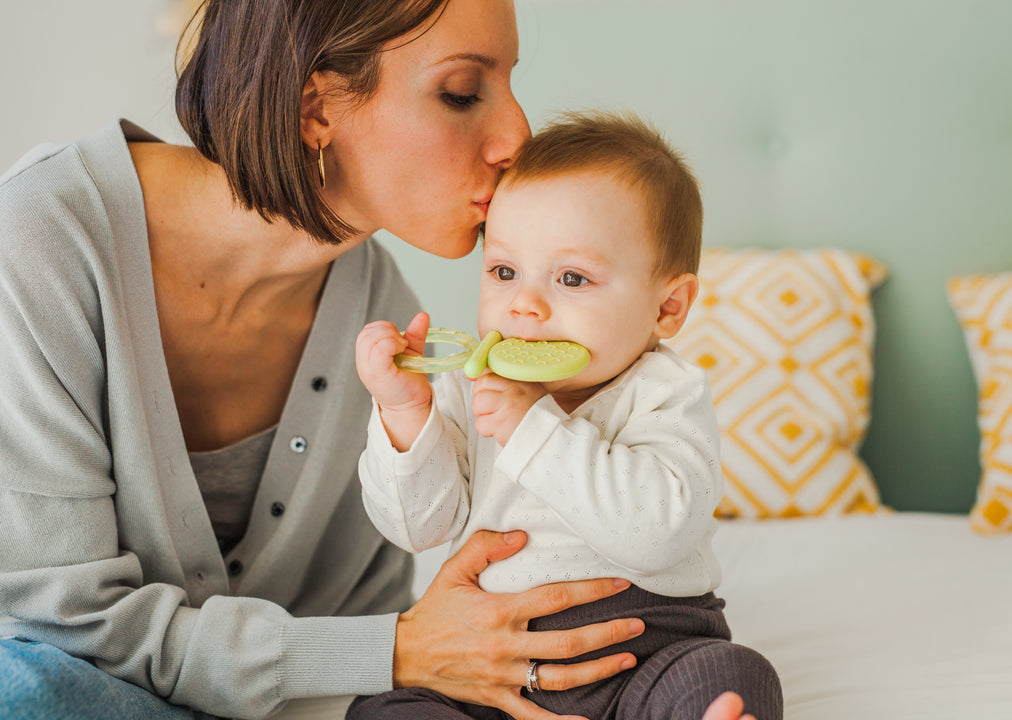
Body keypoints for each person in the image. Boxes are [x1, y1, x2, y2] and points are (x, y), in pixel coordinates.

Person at [0, 2, 689, 719]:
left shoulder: (381, 313)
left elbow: (369, 604)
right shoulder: (38, 246)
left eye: (510, 84)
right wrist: (396, 648)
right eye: (461, 92)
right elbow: (61, 625)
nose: (518, 134)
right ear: (314, 107)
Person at [351, 112, 783, 720]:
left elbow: (657, 532)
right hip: (486, 659)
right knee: (381, 709)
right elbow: (417, 527)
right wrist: (404, 413)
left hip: (647, 649)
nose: (524, 305)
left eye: (572, 278)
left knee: (733, 675)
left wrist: (534, 429)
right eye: (504, 272)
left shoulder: (665, 391)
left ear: (667, 307)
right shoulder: (472, 385)